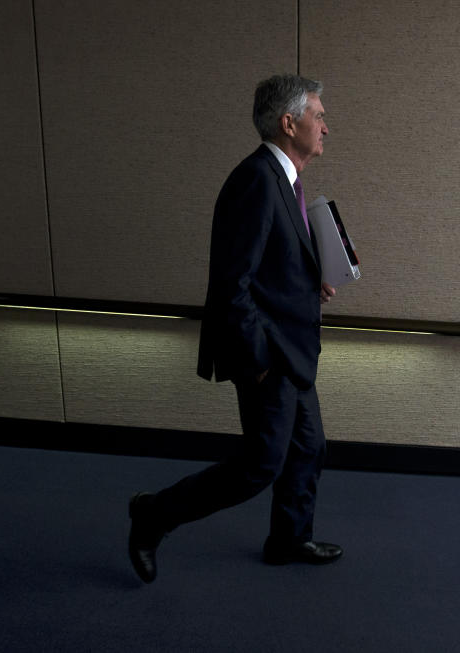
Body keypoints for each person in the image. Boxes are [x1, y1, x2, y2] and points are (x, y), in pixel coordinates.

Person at [127, 74, 341, 583]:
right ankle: (153, 513)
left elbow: (270, 267)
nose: (326, 127)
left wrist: (312, 284)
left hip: (294, 348)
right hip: (269, 354)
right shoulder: (256, 179)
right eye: (318, 115)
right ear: (289, 123)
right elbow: (232, 282)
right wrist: (258, 361)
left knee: (308, 449)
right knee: (260, 465)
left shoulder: (284, 179)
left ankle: (288, 540)